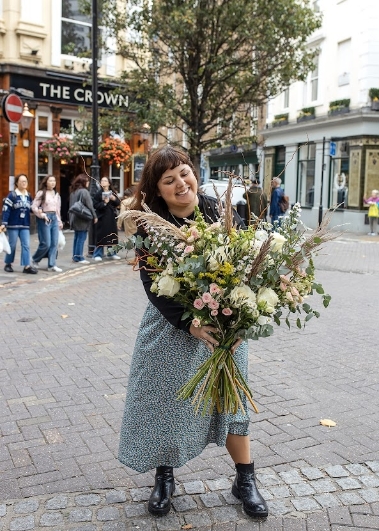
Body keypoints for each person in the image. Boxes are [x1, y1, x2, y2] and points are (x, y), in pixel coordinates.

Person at [118, 146, 268, 519]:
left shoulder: (220, 211)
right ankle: (164, 476)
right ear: (158, 189)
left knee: (231, 402)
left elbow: (244, 265)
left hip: (223, 326)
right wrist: (190, 323)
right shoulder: (148, 223)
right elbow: (153, 285)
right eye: (169, 180)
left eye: (184, 173)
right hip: (173, 328)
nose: (180, 183)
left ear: (194, 172)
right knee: (165, 402)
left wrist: (239, 317)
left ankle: (244, 478)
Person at [1, 174, 38, 274]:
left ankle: (27, 266)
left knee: (26, 245)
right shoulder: (12, 195)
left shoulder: (28, 195)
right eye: (21, 181)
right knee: (12, 245)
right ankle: (8, 264)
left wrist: (39, 212)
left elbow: (32, 208)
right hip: (13, 225)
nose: (24, 183)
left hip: (25, 225)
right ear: (17, 183)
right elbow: (6, 210)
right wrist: (4, 223)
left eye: (25, 181)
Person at [31, 175, 63, 272]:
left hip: (54, 218)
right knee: (46, 243)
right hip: (45, 218)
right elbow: (34, 207)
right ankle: (35, 260)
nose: (53, 183)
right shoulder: (41, 193)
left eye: (54, 181)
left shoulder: (56, 194)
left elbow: (58, 210)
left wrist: (59, 221)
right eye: (50, 181)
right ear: (46, 182)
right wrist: (42, 215)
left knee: (54, 243)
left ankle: (52, 265)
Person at [69, 173, 97, 264]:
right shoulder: (84, 191)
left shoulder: (74, 191)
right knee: (81, 237)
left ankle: (75, 256)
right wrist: (94, 216)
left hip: (75, 217)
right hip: (82, 217)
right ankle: (80, 257)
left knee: (77, 237)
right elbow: (90, 205)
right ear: (84, 182)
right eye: (87, 181)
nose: (88, 183)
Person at [92, 176, 121, 261]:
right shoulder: (98, 193)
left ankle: (112, 253)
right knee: (101, 235)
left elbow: (118, 203)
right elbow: (95, 205)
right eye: (102, 181)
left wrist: (114, 199)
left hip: (111, 216)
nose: (103, 182)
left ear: (109, 183)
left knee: (111, 235)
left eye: (105, 181)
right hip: (102, 216)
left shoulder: (113, 192)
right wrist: (104, 203)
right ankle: (98, 254)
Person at [117, 187, 137, 265]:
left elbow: (122, 214)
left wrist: (119, 223)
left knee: (134, 241)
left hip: (129, 223)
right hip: (138, 222)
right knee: (139, 240)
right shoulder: (137, 200)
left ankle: (136, 258)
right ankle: (138, 258)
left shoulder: (124, 202)